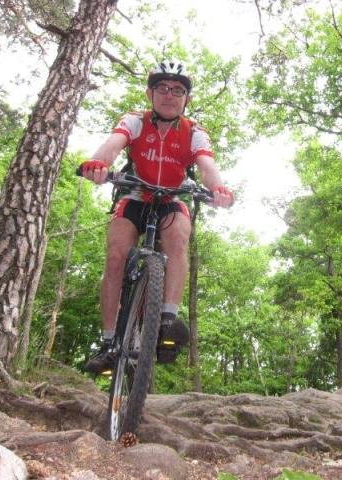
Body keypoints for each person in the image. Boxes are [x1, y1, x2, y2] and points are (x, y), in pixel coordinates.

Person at [79, 60, 234, 374]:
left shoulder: (194, 132)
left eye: (178, 90)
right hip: (135, 194)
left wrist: (218, 187)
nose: (169, 94)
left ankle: (166, 319)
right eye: (162, 88)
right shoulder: (136, 121)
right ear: (150, 93)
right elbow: (113, 145)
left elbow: (206, 165)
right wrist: (97, 164)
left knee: (178, 239)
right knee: (116, 256)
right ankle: (109, 340)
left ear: (186, 100)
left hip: (172, 197)